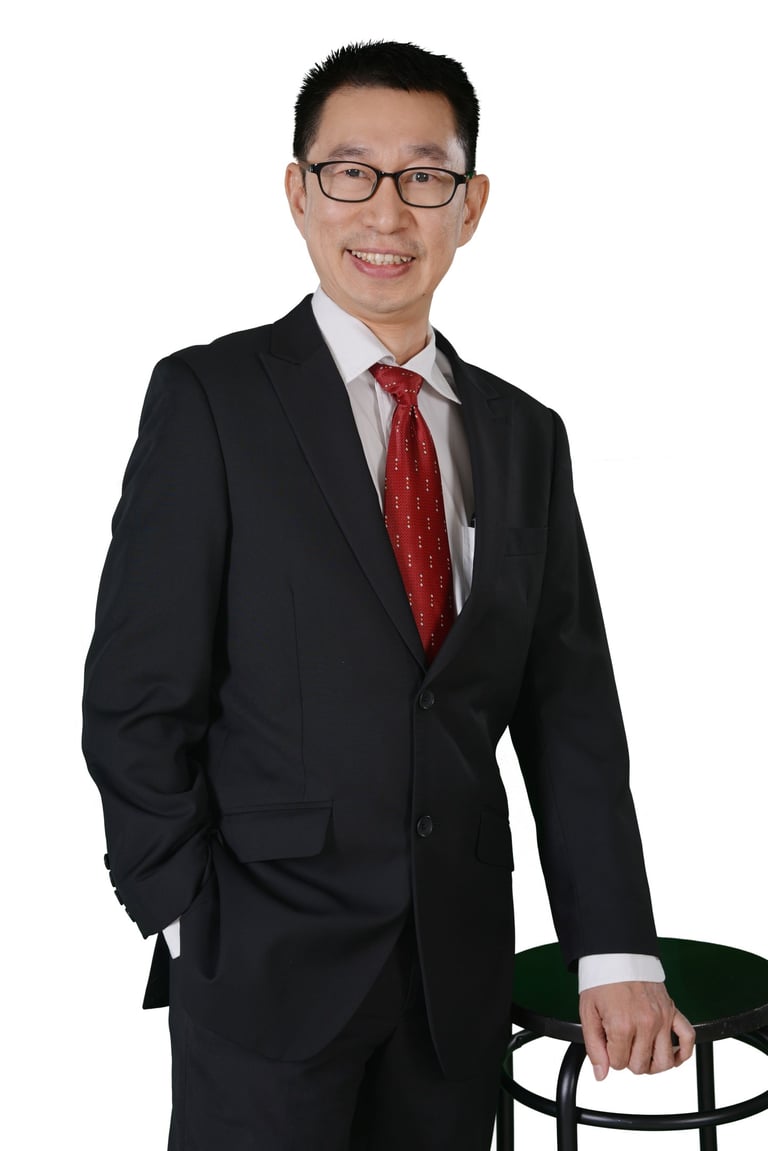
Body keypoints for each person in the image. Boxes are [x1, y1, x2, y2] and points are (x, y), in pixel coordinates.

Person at [82, 40, 695, 1151]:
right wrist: (182, 912)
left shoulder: (524, 434)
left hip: (455, 976)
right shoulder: (212, 398)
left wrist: (613, 946)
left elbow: (569, 712)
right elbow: (137, 690)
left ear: (471, 204)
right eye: (350, 171)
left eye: (423, 175)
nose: (386, 209)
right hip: (259, 968)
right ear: (298, 192)